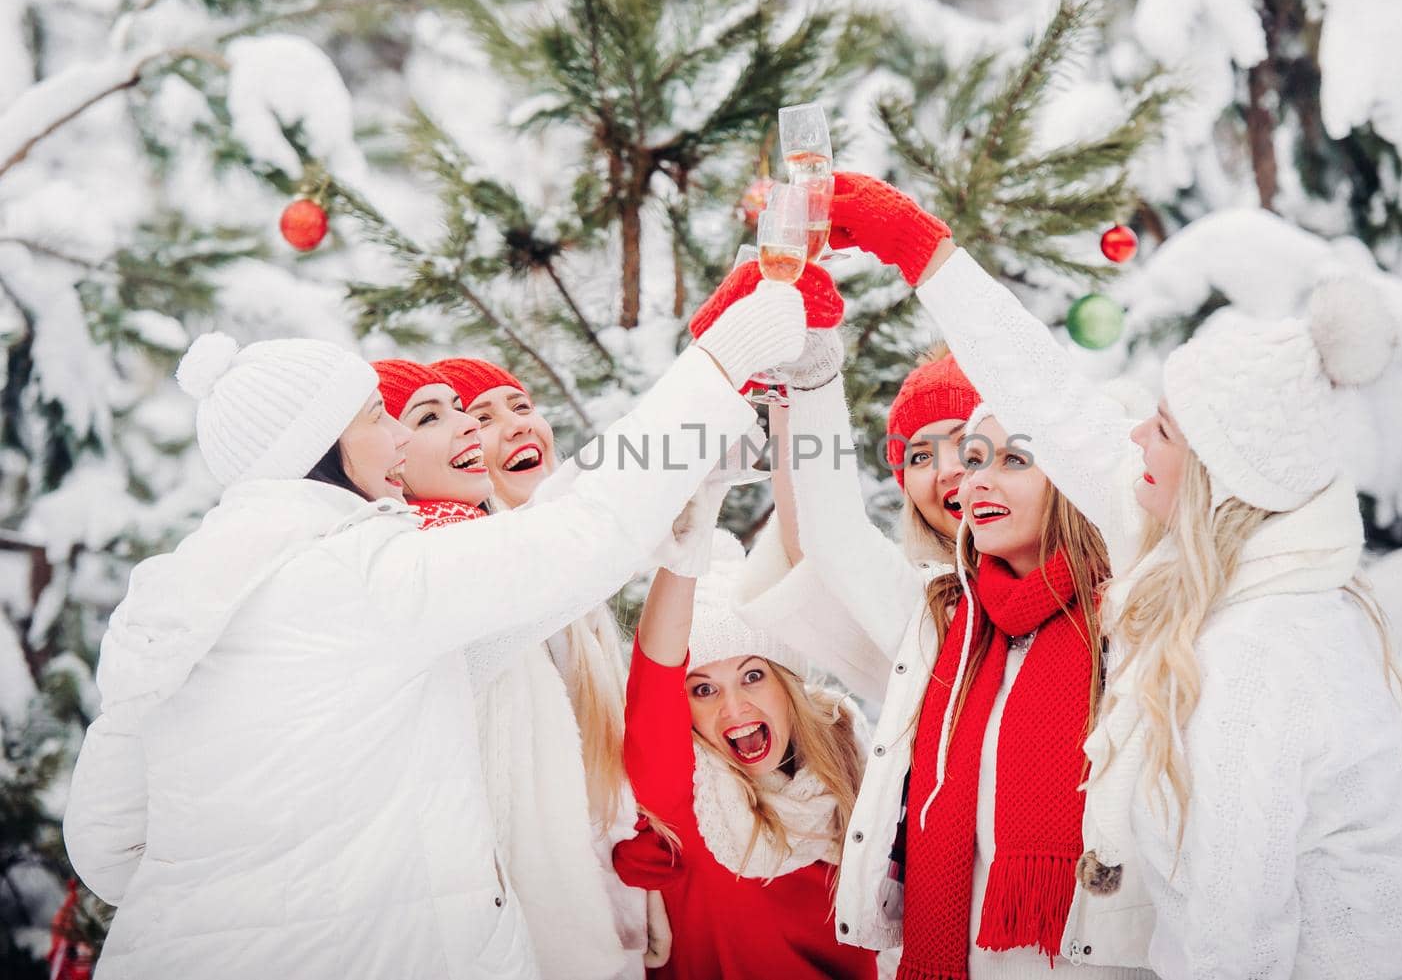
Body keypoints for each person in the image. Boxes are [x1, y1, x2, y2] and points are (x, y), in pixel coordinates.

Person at [824, 171, 1402, 979]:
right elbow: (1059, 406)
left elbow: (1232, 942)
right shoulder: (1195, 567)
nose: (1133, 432)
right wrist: (924, 253)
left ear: (1211, 472)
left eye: (1161, 426)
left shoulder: (1257, 649)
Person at [62, 275, 804, 980]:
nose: (394, 441)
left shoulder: (177, 607)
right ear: (321, 446)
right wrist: (721, 360)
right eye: (377, 419)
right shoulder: (361, 572)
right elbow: (582, 532)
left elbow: (107, 849)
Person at [696, 262, 1118, 979]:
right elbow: (825, 536)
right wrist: (806, 381)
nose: (957, 472)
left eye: (987, 450)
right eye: (919, 456)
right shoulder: (937, 619)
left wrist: (931, 255)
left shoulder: (1126, 603)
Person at [372, 358, 644, 980]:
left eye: (520, 407)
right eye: (477, 417)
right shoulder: (466, 576)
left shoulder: (572, 598)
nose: (505, 428)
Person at [613, 512, 875, 980]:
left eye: (753, 676)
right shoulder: (688, 799)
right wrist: (690, 536)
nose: (733, 708)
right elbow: (655, 671)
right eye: (704, 689)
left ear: (788, 684)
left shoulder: (855, 763)